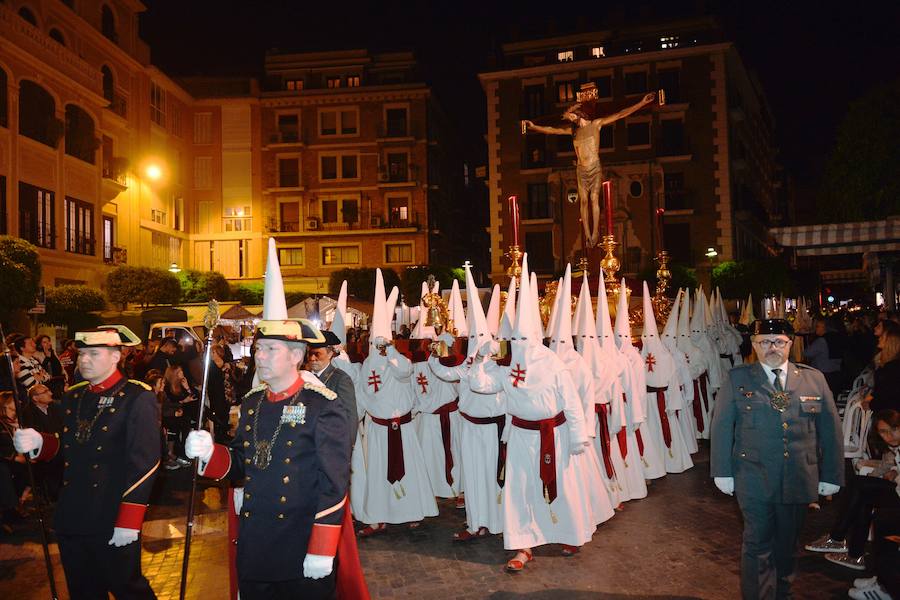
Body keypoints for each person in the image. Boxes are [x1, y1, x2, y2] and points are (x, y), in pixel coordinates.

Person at [185, 319, 358, 599]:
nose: (260, 356)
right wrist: (211, 452)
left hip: (300, 543)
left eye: (270, 349)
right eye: (258, 348)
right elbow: (241, 461)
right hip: (256, 540)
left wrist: (322, 548)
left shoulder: (322, 405)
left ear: (296, 356)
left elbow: (334, 483)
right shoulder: (253, 402)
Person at [13, 326, 160, 599]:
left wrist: (129, 519)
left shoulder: (137, 397)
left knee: (128, 589)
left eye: (94, 353)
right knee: (83, 591)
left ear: (116, 356)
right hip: (72, 514)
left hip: (111, 514)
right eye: (82, 354)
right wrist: (40, 443)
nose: (84, 360)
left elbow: (145, 462)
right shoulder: (74, 395)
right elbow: (70, 446)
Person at [710, 318, 844, 600]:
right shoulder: (738, 378)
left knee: (787, 544)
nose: (772, 347)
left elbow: (830, 431)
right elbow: (722, 426)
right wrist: (722, 470)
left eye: (779, 341)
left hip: (799, 477)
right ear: (754, 345)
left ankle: (782, 592)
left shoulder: (813, 378)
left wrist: (831, 475)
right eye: (764, 342)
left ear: (791, 343)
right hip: (753, 477)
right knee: (756, 543)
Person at [522, 89, 655, 247]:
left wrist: (642, 103)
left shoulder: (596, 124)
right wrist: (534, 126)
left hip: (594, 167)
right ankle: (587, 234)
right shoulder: (573, 132)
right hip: (581, 170)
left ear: (580, 115)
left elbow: (620, 114)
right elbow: (552, 130)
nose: (570, 118)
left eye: (572, 116)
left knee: (593, 199)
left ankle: (595, 232)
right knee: (583, 202)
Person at [805, 409, 899, 571]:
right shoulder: (892, 448)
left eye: (894, 429)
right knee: (862, 493)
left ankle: (838, 540)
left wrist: (895, 474)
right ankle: (854, 555)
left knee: (860, 486)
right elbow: (887, 466)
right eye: (884, 432)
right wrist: (891, 472)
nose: (889, 435)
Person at [304, 329, 358, 449]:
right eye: (310, 353)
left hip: (330, 444)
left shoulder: (340, 379)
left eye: (317, 354)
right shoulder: (303, 377)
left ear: (329, 354)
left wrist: (345, 448)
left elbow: (350, 417)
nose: (312, 358)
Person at [19, 383, 64, 500]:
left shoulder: (56, 407)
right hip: (43, 449)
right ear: (35, 398)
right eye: (45, 392)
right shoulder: (28, 412)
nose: (51, 393)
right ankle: (54, 493)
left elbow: (63, 427)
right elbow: (36, 435)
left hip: (60, 444)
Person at [0, 392, 29, 534]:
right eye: (13, 401)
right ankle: (9, 509)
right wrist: (15, 458)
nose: (18, 402)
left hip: (16, 457)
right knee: (5, 472)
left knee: (29, 468)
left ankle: (16, 505)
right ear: (5, 404)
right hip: (4, 459)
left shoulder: (17, 420)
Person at [804, 318, 844, 396]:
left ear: (825, 328)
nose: (816, 329)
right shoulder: (837, 337)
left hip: (823, 374)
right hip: (836, 372)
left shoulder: (821, 341)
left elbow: (807, 353)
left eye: (818, 326)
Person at [866, 326, 900, 412]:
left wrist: (870, 404)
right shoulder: (888, 365)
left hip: (889, 415)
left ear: (890, 343)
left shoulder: (891, 369)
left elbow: (886, 395)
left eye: (882, 337)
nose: (879, 339)